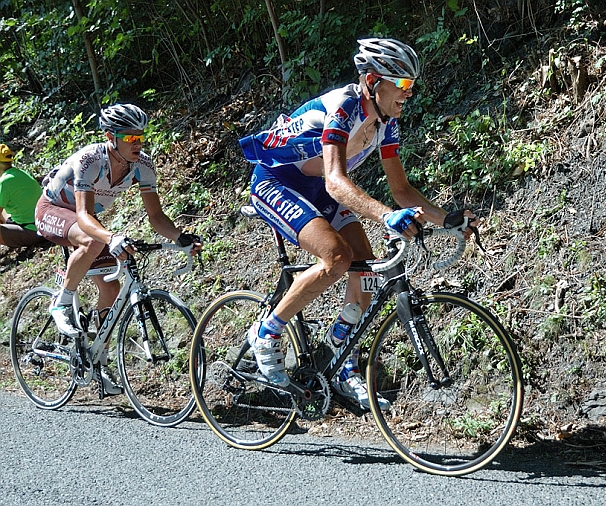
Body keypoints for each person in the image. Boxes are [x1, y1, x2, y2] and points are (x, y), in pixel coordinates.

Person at [239, 38, 477, 410]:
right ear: (371, 81)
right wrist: (385, 217)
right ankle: (266, 333)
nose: (407, 94)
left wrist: (446, 219)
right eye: (400, 85)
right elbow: (335, 180)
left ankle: (340, 362)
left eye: (411, 86)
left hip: (320, 188)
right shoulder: (345, 108)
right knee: (337, 258)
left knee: (365, 270)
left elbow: (401, 190)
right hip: (276, 181)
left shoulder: (386, 122)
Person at [35, 103, 203, 396]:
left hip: (84, 219)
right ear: (111, 137)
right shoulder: (90, 160)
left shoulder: (143, 166)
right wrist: (111, 236)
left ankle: (96, 361)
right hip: (53, 209)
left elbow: (156, 217)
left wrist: (180, 238)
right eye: (130, 138)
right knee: (95, 240)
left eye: (141, 137)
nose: (138, 144)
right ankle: (61, 302)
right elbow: (84, 215)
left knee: (111, 290)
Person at [0, 144, 49, 248]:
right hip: (44, 225)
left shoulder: (4, 182)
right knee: (3, 209)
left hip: (33, 231)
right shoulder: (19, 173)